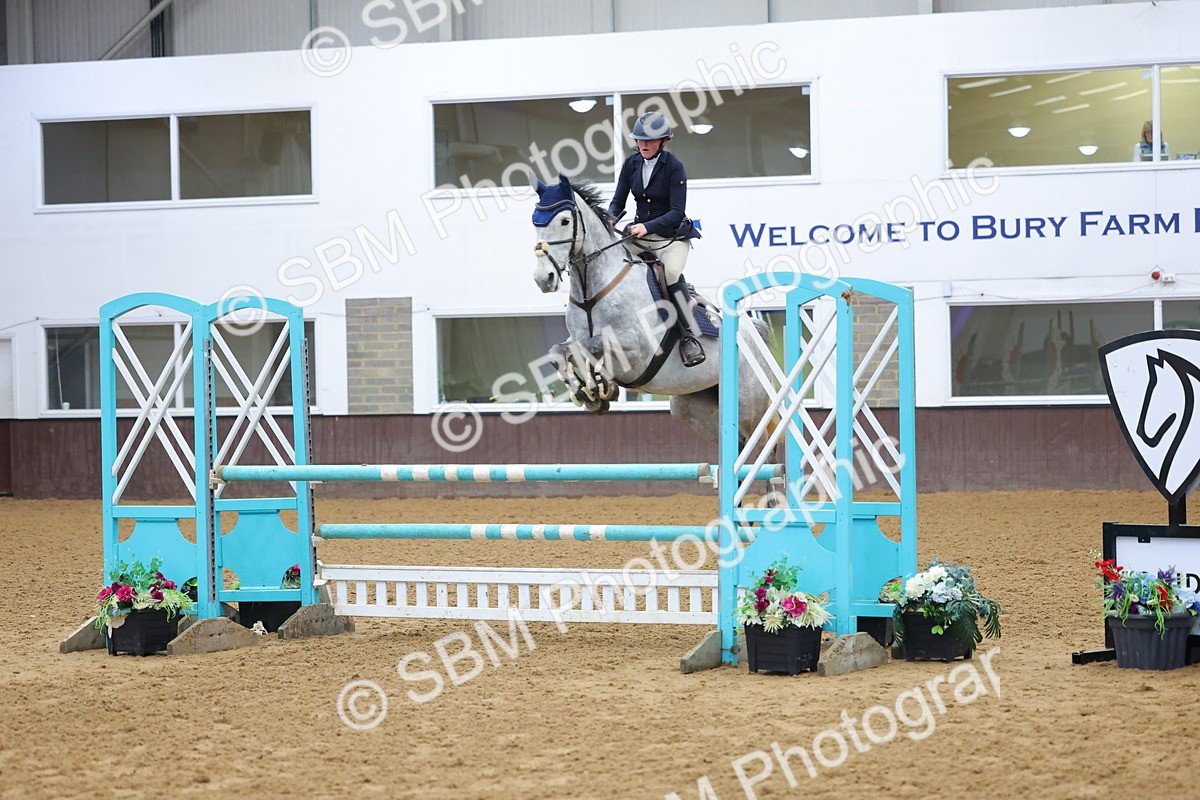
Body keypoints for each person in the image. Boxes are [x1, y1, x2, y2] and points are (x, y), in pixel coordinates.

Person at [608, 111, 705, 367]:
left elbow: (677, 212)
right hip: (640, 234)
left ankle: (688, 335)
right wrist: (608, 221)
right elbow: (618, 201)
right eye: (640, 140)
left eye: (649, 141)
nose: (643, 145)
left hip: (671, 237)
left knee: (671, 274)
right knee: (610, 258)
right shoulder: (631, 164)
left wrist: (645, 226)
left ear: (663, 141)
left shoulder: (674, 166)